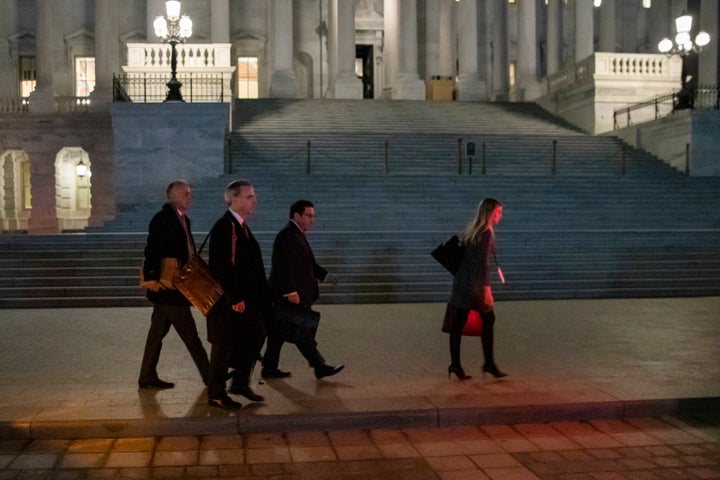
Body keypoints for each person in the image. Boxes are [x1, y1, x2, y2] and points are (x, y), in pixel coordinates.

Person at [138, 180, 210, 389]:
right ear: (173, 196)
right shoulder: (163, 219)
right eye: (186, 194)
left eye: (190, 193)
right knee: (191, 335)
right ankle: (210, 377)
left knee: (156, 334)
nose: (190, 197)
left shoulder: (182, 219)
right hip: (168, 288)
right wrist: (151, 277)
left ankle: (146, 376)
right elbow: (152, 249)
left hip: (175, 286)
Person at [206, 179, 270, 409]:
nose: (255, 201)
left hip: (244, 300)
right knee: (223, 346)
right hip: (230, 302)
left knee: (256, 333)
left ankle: (240, 382)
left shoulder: (240, 226)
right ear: (234, 198)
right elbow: (221, 265)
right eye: (250, 196)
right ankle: (216, 393)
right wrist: (235, 297)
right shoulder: (225, 226)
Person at [262, 200, 344, 380]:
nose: (312, 220)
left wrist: (325, 275)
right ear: (296, 215)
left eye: (313, 216)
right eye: (308, 216)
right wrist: (291, 291)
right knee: (302, 331)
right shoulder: (288, 236)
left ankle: (269, 368)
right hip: (289, 296)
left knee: (278, 334)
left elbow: (309, 264)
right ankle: (319, 366)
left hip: (289, 295)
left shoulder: (296, 234)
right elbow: (284, 267)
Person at [443, 197, 507, 380]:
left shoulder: (472, 229)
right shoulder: (485, 233)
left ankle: (455, 364)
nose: (501, 216)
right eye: (498, 212)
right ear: (489, 213)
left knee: (458, 325)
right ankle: (488, 363)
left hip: (461, 283)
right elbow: (482, 265)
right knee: (488, 319)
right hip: (475, 286)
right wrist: (487, 289)